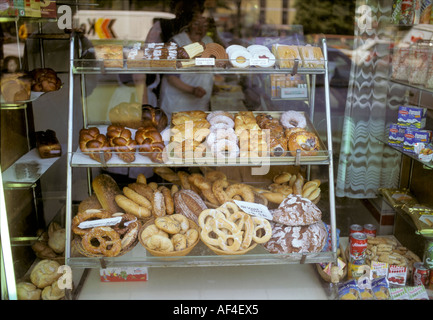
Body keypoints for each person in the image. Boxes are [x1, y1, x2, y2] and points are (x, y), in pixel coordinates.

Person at [158, 11, 214, 120]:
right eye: (196, 24)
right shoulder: (177, 42)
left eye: (205, 26)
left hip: (200, 102)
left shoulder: (208, 41)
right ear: (188, 24)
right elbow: (171, 77)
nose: (200, 29)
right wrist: (192, 90)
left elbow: (210, 69)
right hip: (178, 102)